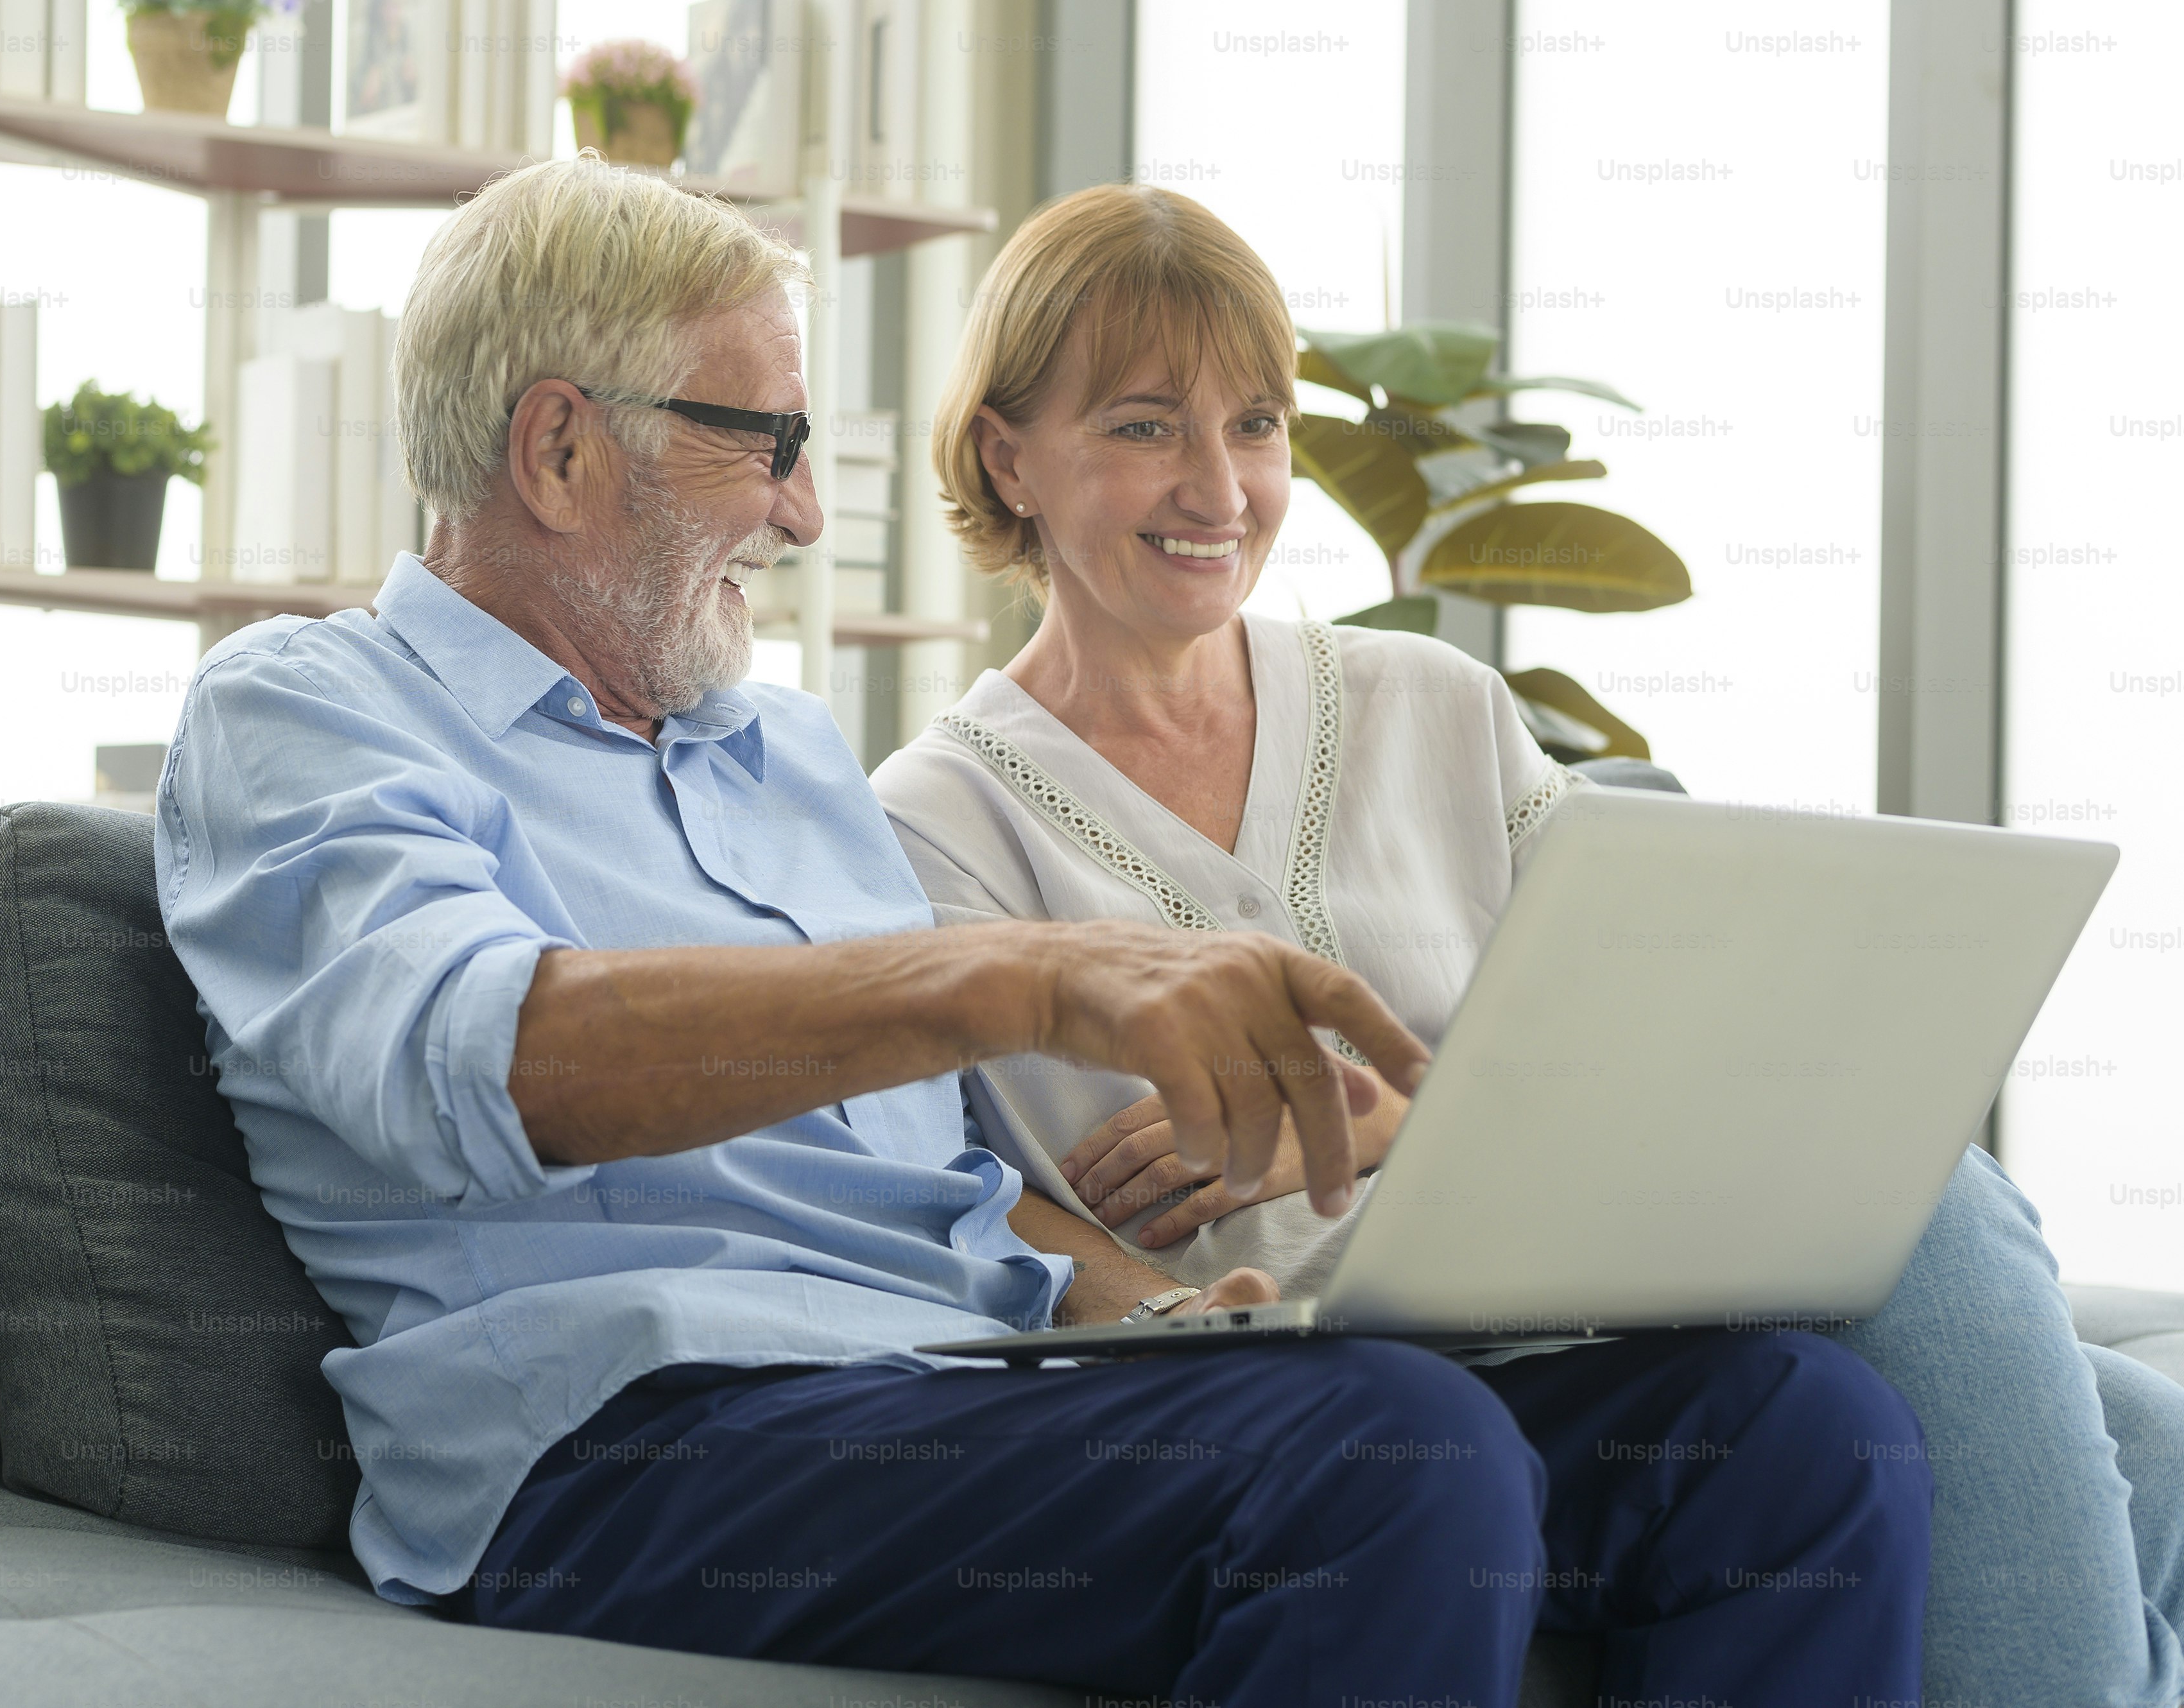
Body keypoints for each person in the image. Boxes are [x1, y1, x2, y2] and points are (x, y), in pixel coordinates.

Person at [153, 155, 1932, 1708]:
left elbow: (953, 1193)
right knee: (1400, 1449)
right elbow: (497, 1056)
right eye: (765, 444)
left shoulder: (776, 752)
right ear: (559, 447)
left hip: (959, 1372)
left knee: (1788, 1431)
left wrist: (1175, 1316)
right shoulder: (307, 713)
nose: (798, 509)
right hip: (622, 1433)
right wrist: (1016, 973)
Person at [869, 178, 2184, 1708]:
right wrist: (1156, 1310)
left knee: (2128, 1412)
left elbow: (1645, 1028)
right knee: (2016, 1326)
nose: (1219, 487)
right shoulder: (931, 821)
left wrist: (1405, 1121)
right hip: (1296, 1402)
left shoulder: (1434, 704)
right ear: (1003, 454)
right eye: (1145, 425)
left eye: (1257, 425)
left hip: (1581, 1323)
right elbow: (945, 1197)